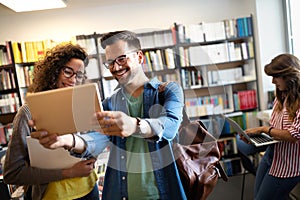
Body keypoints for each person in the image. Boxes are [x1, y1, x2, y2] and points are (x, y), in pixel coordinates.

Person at [31, 30, 187, 200]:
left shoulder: (168, 91)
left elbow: (170, 126)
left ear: (139, 57)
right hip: (121, 194)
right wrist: (65, 140)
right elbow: (95, 141)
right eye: (110, 62)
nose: (116, 67)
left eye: (122, 59)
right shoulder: (109, 104)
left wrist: (135, 125)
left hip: (164, 194)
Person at [3, 43, 100, 200]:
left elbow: (93, 145)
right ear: (53, 72)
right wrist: (68, 173)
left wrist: (91, 153)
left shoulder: (81, 107)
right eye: (68, 72)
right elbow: (12, 173)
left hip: (90, 191)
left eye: (79, 75)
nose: (74, 80)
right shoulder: (28, 112)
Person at [240, 53, 300, 200]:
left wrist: (263, 129)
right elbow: (277, 128)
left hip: (288, 166)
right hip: (272, 157)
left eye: (275, 77)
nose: (273, 82)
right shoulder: (282, 97)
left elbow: (293, 135)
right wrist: (258, 138)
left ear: (288, 76)